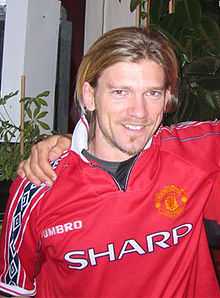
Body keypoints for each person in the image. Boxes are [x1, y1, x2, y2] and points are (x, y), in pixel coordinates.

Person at [0, 26, 220, 297]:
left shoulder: (197, 152)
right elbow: (13, 290)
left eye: (152, 93)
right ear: (90, 96)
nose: (139, 112)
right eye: (120, 92)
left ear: (166, 99)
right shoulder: (37, 185)